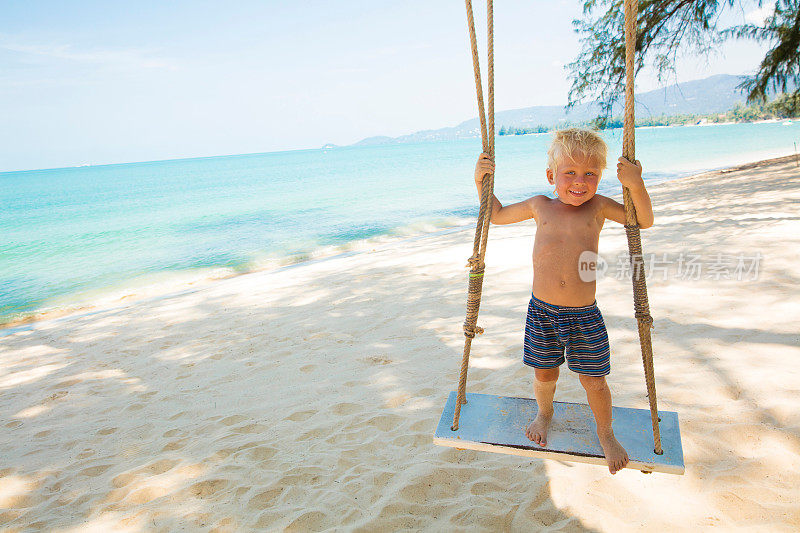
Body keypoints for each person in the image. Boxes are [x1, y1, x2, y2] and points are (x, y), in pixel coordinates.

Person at [473, 128, 654, 474]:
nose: (579, 181)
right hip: (541, 312)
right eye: (570, 172)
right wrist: (481, 179)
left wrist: (635, 183)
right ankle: (544, 414)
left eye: (590, 174)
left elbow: (643, 219)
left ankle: (606, 432)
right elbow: (494, 214)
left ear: (600, 177)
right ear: (551, 175)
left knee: (595, 380)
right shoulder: (539, 205)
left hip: (585, 315)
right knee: (544, 374)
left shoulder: (599, 207)